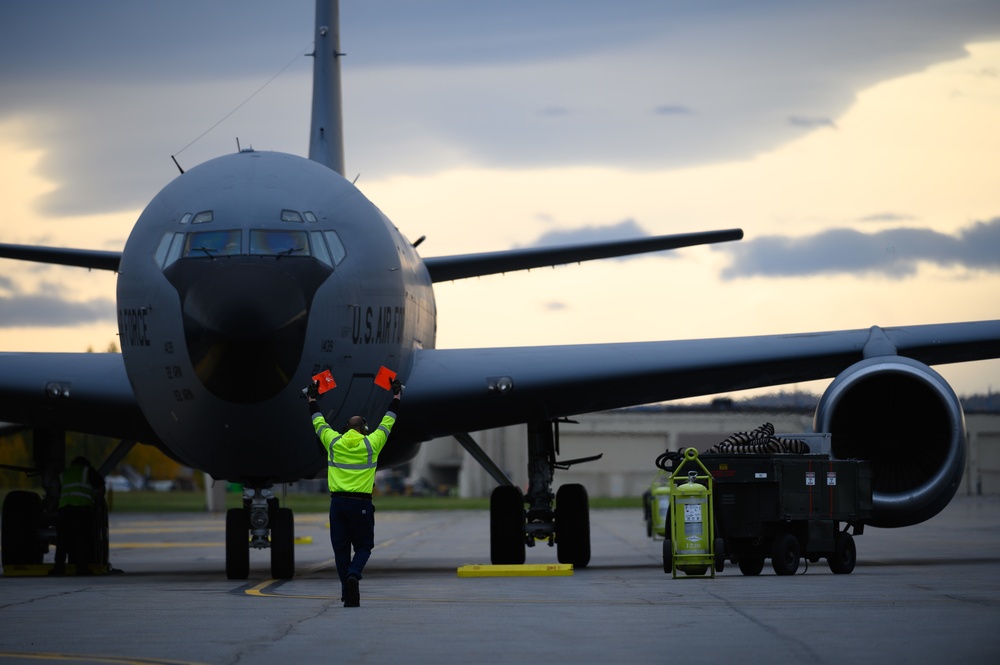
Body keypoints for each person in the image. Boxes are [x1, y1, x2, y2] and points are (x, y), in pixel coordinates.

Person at [308, 377, 402, 607]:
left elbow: (317, 421)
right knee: (364, 547)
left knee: (341, 551)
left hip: (337, 504)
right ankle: (354, 575)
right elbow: (389, 421)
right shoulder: (372, 443)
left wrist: (312, 399)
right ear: (364, 429)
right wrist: (396, 396)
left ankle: (347, 594)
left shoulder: (334, 442)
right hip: (360, 505)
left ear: (345, 429)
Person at [50, 456, 105, 575]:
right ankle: (81, 568)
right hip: (82, 510)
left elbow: (55, 493)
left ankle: (58, 568)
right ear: (86, 464)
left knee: (62, 541)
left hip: (64, 510)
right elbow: (100, 486)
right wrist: (96, 502)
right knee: (82, 540)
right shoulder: (87, 471)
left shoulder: (64, 474)